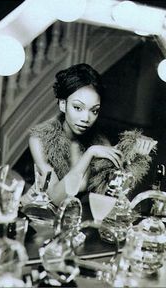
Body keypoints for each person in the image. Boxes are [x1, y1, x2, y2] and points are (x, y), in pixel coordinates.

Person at [23, 63, 157, 206]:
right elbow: (56, 198)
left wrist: (133, 151)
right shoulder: (40, 139)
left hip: (76, 221)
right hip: (37, 216)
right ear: (63, 105)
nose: (86, 118)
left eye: (94, 111)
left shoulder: (100, 141)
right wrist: (89, 154)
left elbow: (111, 195)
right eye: (78, 108)